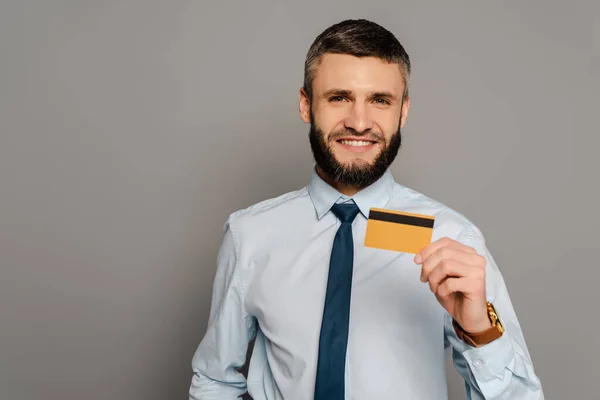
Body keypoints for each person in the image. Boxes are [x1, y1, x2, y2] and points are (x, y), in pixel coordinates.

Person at [189, 19, 544, 400]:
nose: (359, 123)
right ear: (306, 104)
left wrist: (479, 330)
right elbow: (214, 381)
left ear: (403, 111)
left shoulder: (452, 238)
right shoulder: (250, 235)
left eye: (380, 100)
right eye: (339, 97)